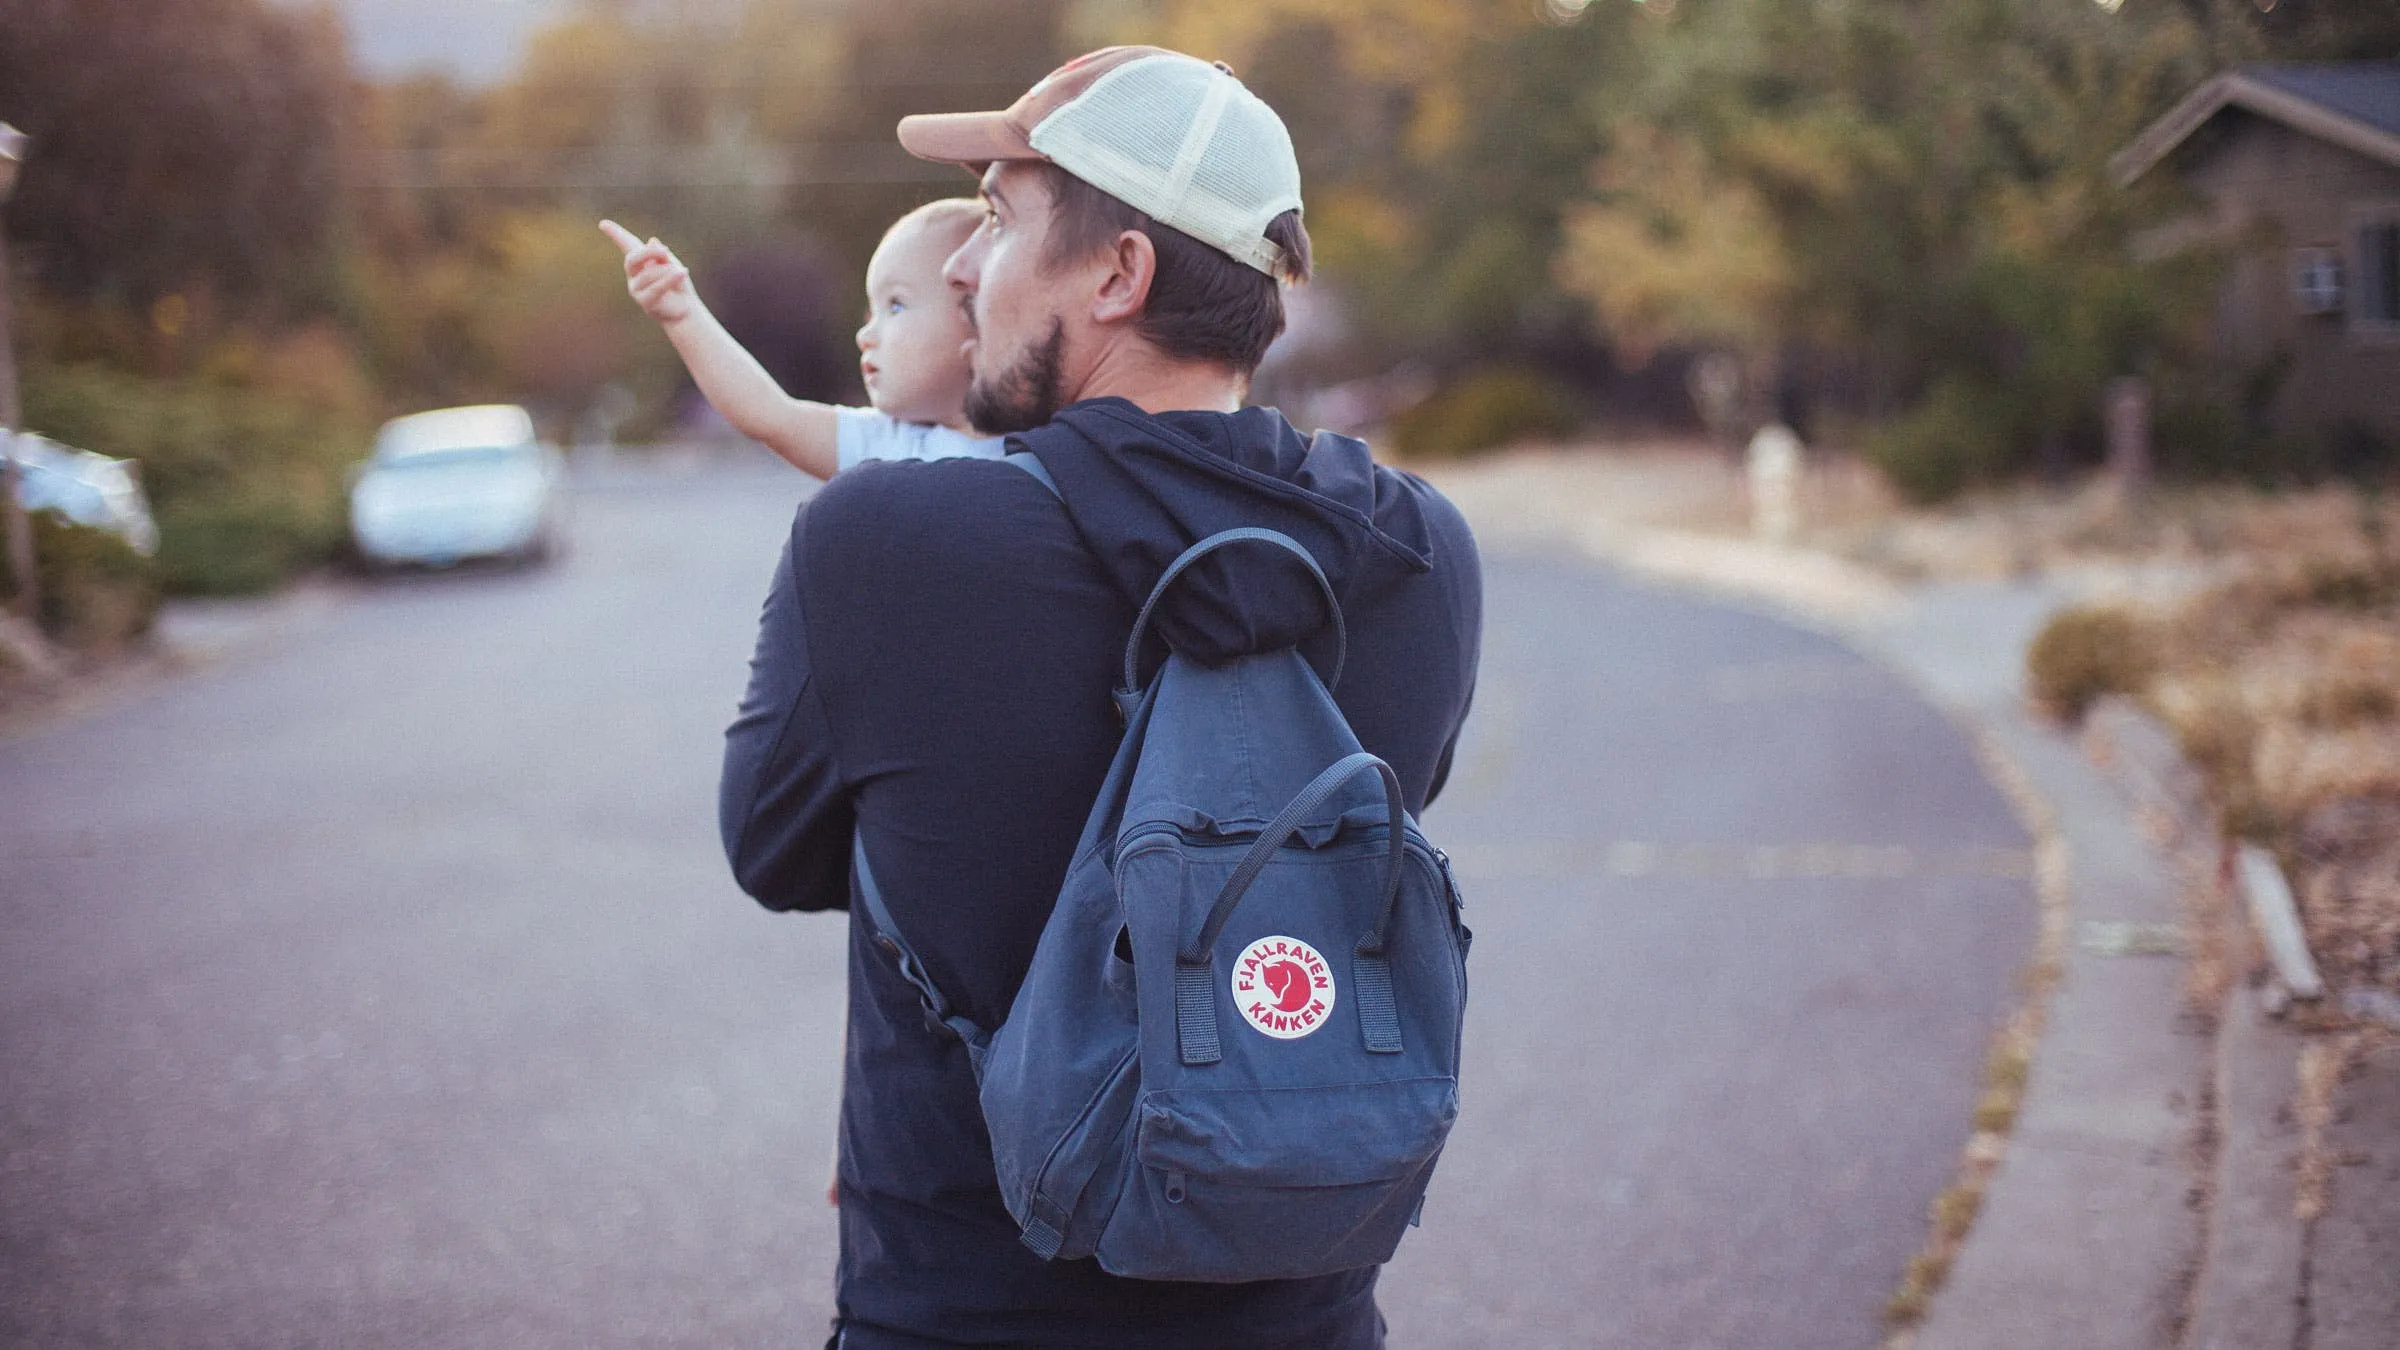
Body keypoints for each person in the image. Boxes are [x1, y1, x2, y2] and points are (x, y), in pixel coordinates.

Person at [718, 45, 1483, 1350]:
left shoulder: (885, 539)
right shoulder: (1419, 554)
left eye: (1003, 220)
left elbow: (777, 851)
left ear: (1119, 274)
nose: (961, 267)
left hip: (959, 1300)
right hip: (1301, 1306)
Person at [601, 202, 1002, 478]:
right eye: (869, 314)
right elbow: (771, 415)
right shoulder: (887, 444)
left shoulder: (1050, 451)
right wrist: (683, 313)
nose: (865, 335)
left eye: (895, 306)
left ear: (984, 317)